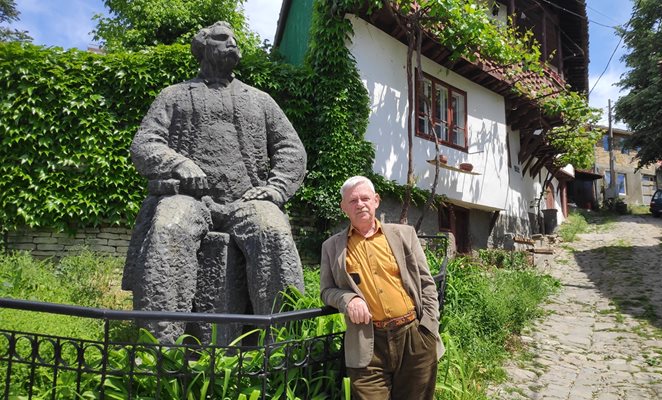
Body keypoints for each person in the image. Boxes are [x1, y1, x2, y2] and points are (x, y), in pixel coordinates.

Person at [122, 21, 307, 342]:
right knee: (169, 227)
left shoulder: (259, 100)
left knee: (273, 231)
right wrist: (178, 163)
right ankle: (160, 347)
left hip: (248, 200)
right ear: (203, 47)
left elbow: (291, 148)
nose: (233, 43)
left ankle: (284, 347)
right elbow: (145, 144)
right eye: (223, 39)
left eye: (235, 40)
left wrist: (276, 188)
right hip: (190, 199)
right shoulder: (174, 96)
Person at [320, 176, 445, 400]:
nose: (360, 204)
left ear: (376, 201)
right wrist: (348, 299)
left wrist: (429, 326)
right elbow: (326, 290)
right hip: (367, 343)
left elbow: (426, 282)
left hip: (414, 338)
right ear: (343, 208)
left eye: (365, 198)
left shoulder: (404, 235)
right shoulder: (331, 247)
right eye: (353, 201)